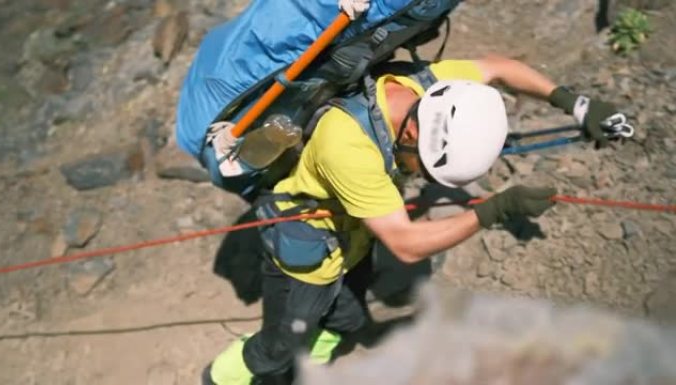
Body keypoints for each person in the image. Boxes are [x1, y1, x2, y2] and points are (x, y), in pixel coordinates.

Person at [200, 3, 627, 385]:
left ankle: (308, 364)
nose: (421, 176)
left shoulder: (429, 89)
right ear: (415, 132)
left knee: (345, 321)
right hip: (307, 250)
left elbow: (498, 67)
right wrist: (495, 209)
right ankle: (223, 377)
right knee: (279, 344)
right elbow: (405, 244)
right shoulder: (346, 145)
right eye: (422, 164)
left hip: (354, 236)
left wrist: (576, 105)